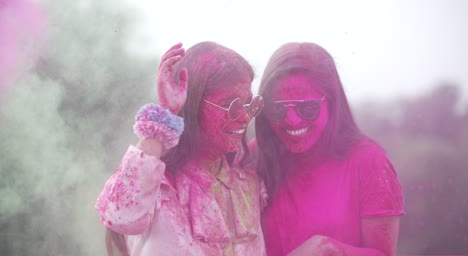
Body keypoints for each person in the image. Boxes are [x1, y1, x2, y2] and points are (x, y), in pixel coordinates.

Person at [95, 42, 267, 256]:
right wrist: (166, 112)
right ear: (193, 103)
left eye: (249, 104)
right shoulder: (156, 188)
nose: (244, 117)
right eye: (231, 105)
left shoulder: (249, 187)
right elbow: (119, 216)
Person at [253, 42, 405, 256]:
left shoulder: (369, 163)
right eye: (277, 109)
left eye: (307, 108)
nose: (293, 120)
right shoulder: (253, 158)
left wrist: (332, 250)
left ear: (332, 103)